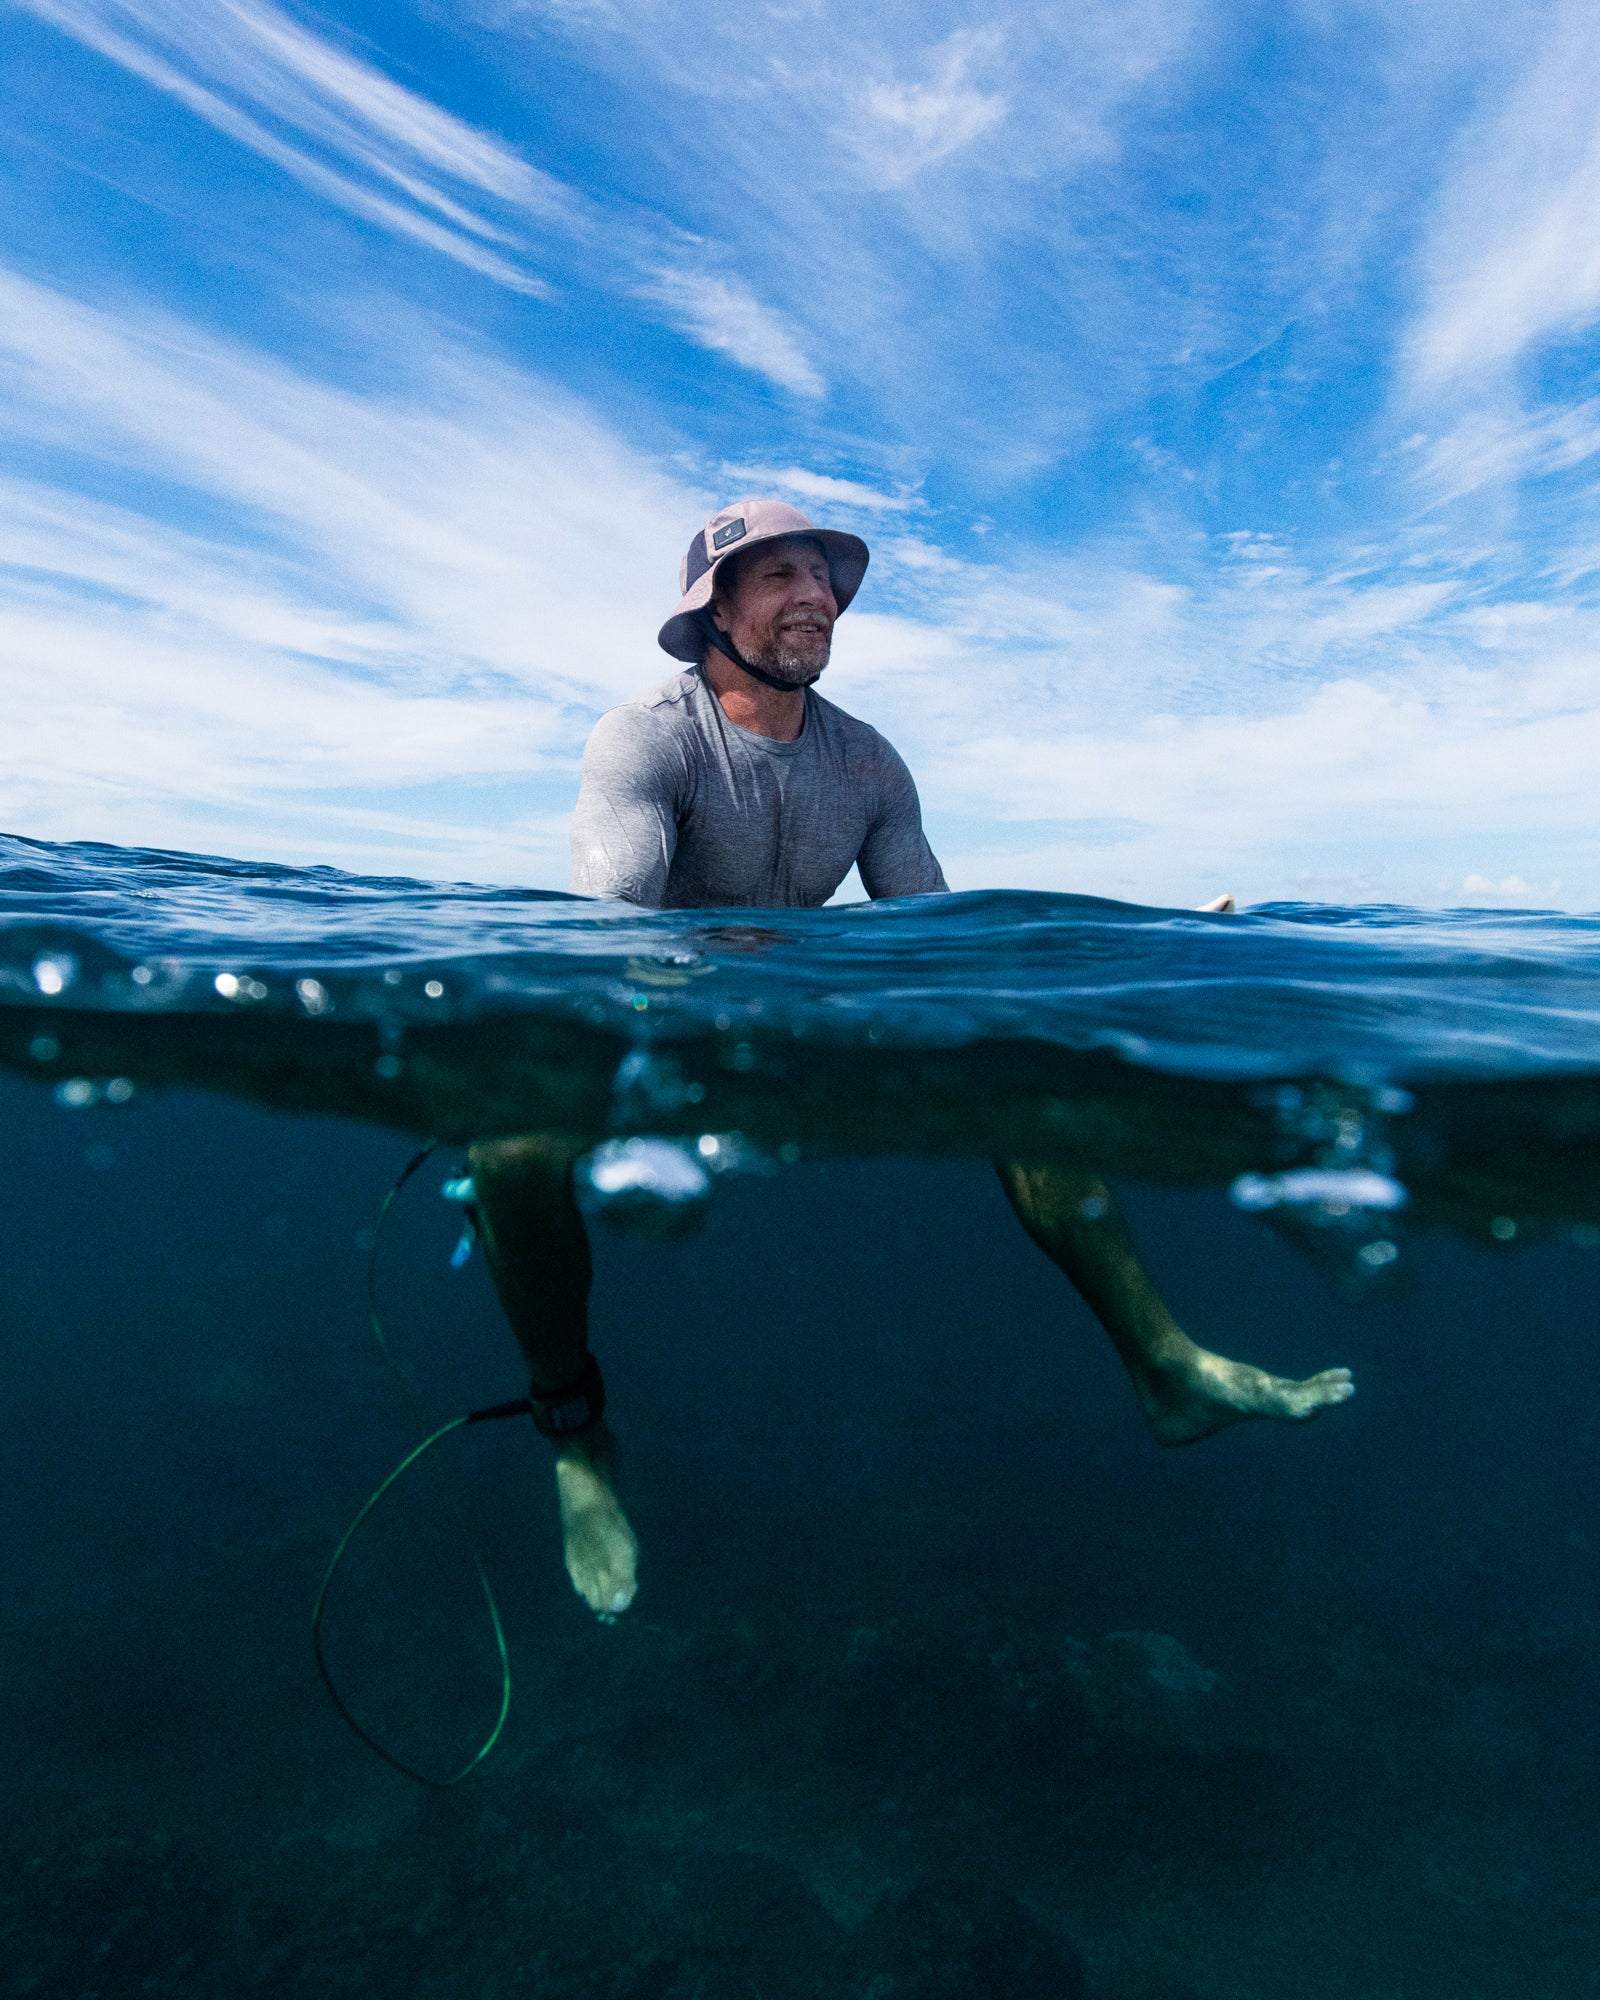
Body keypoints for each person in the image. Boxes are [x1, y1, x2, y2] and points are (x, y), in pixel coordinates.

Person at [470, 499, 1354, 1620]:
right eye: (781, 573)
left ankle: (1166, 1364)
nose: (817, 595)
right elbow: (609, 930)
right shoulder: (645, 735)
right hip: (665, 1023)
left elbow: (935, 945)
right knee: (508, 1143)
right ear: (713, 607)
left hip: (808, 1031)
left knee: (1020, 1085)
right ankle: (575, 1434)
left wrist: (1121, 958)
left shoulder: (871, 765)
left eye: (826, 576)